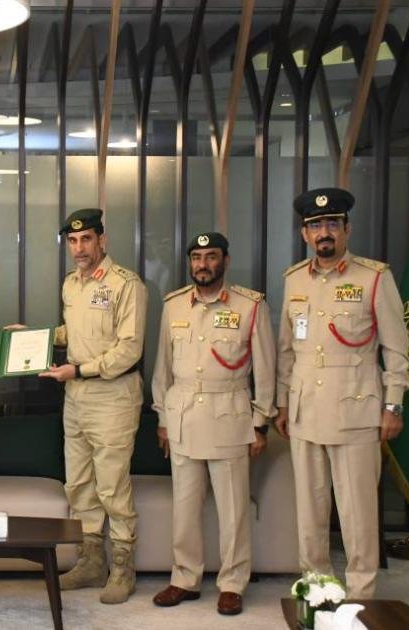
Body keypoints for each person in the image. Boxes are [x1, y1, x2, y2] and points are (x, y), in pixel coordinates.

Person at [274, 188, 409, 599]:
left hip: (355, 410)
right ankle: (316, 586)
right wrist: (282, 402)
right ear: (305, 234)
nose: (324, 233)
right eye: (316, 226)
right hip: (304, 411)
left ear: (347, 229)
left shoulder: (374, 278)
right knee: (310, 509)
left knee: (357, 511)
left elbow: (396, 349)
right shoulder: (295, 279)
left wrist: (393, 404)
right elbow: (286, 349)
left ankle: (360, 594)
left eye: (332, 223)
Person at [150, 232, 275, 616]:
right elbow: (162, 368)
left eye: (211, 256)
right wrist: (163, 417)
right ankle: (185, 578)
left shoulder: (250, 305)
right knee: (185, 508)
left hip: (229, 418)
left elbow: (266, 369)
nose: (203, 264)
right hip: (184, 416)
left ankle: (233, 583)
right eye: (197, 257)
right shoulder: (174, 305)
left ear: (225, 261)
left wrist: (260, 423)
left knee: (233, 510)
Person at [41, 208, 147, 605]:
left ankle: (122, 568)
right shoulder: (72, 284)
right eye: (72, 241)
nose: (79, 247)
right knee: (80, 484)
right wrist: (37, 337)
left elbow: (129, 349)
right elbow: (75, 332)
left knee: (112, 486)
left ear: (102, 240)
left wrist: (80, 370)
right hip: (76, 397)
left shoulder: (126, 284)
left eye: (86, 239)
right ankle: (90, 562)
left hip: (112, 396)